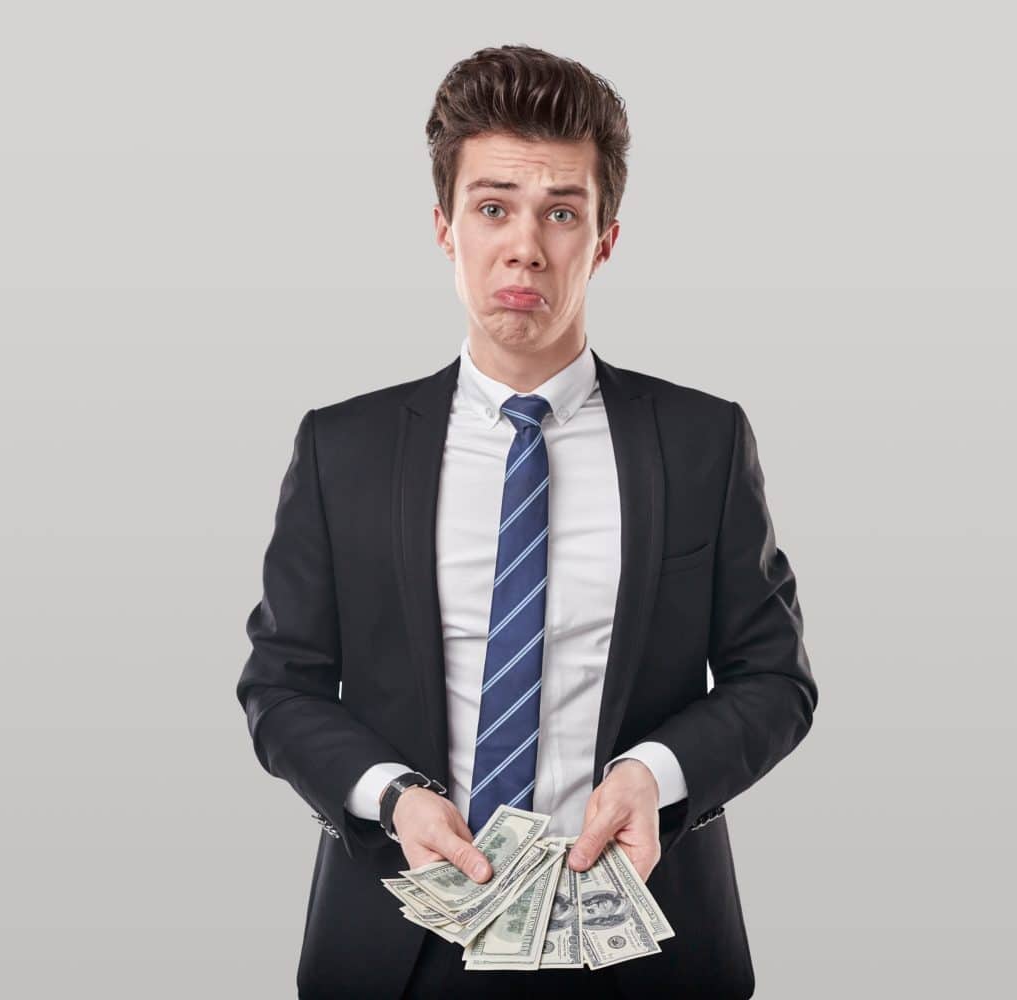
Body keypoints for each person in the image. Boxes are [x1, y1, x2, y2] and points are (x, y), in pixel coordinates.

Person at [235, 44, 818, 999]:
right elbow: (282, 685)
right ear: (444, 227)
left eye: (562, 212)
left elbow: (774, 680)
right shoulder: (344, 447)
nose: (525, 247)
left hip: (646, 939)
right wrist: (391, 798)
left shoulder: (702, 440)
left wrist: (654, 776)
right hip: (398, 943)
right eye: (493, 207)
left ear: (606, 238)